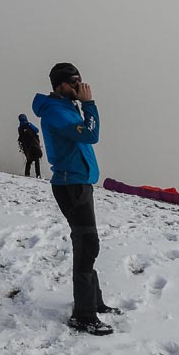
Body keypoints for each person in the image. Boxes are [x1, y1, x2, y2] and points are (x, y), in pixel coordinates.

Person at [32, 62, 118, 336]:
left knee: (88, 242)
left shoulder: (67, 107)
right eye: (73, 82)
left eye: (79, 81)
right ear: (59, 85)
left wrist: (82, 105)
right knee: (87, 243)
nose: (79, 86)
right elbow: (90, 135)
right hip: (71, 185)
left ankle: (93, 301)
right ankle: (83, 315)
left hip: (79, 182)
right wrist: (89, 104)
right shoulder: (56, 112)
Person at [17, 113, 43, 178]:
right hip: (34, 145)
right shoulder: (29, 124)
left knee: (29, 160)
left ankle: (27, 174)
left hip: (26, 147)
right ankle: (38, 175)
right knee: (36, 160)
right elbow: (37, 130)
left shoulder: (20, 128)